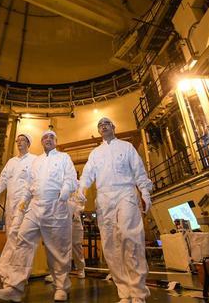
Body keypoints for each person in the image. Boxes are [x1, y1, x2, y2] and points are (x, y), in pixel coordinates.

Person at [0, 130, 78, 302]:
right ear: (41, 142)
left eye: (51, 137)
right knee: (22, 241)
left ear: (56, 141)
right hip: (35, 205)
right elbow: (30, 184)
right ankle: (14, 287)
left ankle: (61, 286)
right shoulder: (37, 161)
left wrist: (66, 191)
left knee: (57, 248)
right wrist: (24, 200)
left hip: (56, 205)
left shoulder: (63, 158)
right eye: (45, 137)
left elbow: (71, 178)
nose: (48, 139)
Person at [78, 117, 153, 303]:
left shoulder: (126, 147)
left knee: (130, 237)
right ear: (99, 131)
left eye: (107, 124)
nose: (103, 127)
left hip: (125, 193)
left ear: (114, 127)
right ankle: (125, 292)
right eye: (100, 125)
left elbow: (139, 170)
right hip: (104, 198)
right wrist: (81, 189)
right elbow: (87, 174)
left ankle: (138, 292)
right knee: (110, 245)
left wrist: (145, 192)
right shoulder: (95, 153)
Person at [0, 133, 36, 290]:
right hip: (10, 205)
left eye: (23, 141)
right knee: (13, 239)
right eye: (18, 141)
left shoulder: (34, 160)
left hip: (24, 206)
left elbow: (35, 181)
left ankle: (0, 276)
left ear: (28, 143)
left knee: (15, 238)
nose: (19, 143)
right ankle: (15, 277)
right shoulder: (11, 162)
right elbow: (3, 179)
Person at [44, 193, 86, 283]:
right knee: (59, 247)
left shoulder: (78, 186)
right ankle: (57, 273)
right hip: (60, 219)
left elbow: (81, 204)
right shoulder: (58, 184)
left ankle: (80, 268)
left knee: (76, 245)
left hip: (75, 221)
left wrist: (74, 211)